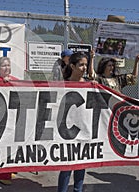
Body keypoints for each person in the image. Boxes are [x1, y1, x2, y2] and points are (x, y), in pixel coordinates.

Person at [58, 52, 89, 192]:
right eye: (81, 65)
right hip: (66, 131)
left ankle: (78, 190)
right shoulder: (63, 84)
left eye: (86, 65)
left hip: (83, 128)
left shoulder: (90, 84)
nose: (84, 68)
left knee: (81, 164)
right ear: (72, 66)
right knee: (66, 166)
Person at [0, 56, 17, 185]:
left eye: (8, 65)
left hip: (12, 118)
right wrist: (2, 82)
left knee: (11, 146)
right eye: (4, 66)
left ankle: (8, 169)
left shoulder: (14, 80)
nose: (7, 68)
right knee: (2, 146)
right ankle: (0, 174)